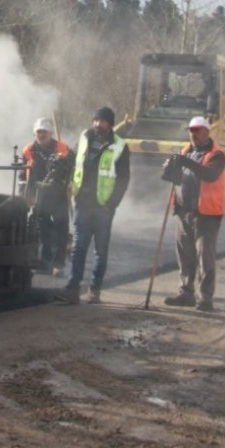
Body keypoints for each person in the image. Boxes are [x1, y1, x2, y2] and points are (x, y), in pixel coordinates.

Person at [160, 115, 225, 312]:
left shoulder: (217, 155)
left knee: (204, 257)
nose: (193, 134)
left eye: (197, 130)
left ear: (207, 132)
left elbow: (209, 174)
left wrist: (184, 162)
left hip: (206, 214)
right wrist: (168, 171)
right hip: (184, 212)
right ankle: (186, 293)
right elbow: (177, 179)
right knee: (185, 255)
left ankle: (206, 298)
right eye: (191, 130)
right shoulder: (186, 152)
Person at [63, 107, 130, 304]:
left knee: (100, 251)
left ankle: (95, 290)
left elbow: (124, 179)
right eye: (95, 120)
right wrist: (66, 165)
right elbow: (73, 160)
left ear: (110, 123)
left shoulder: (119, 146)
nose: (97, 124)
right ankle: (72, 288)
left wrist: (112, 204)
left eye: (102, 121)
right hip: (82, 203)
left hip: (103, 207)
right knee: (78, 248)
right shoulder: (84, 138)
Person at [22, 118, 73, 274]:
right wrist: (24, 195)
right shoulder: (28, 150)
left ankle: (59, 264)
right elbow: (23, 174)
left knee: (61, 228)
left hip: (59, 194)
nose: (42, 134)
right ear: (34, 133)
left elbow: (72, 170)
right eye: (39, 131)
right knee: (42, 229)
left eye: (44, 131)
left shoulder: (62, 148)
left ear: (51, 133)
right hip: (39, 194)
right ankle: (45, 262)